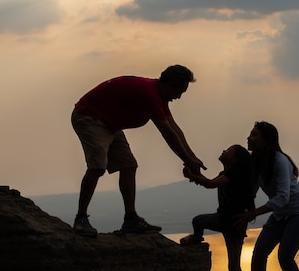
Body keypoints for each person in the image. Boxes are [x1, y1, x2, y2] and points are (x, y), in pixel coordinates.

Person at [71, 65, 206, 237]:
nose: (178, 97)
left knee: (128, 166)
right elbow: (167, 133)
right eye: (179, 91)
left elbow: (175, 128)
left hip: (110, 124)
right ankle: (80, 219)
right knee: (97, 166)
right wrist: (188, 160)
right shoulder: (149, 94)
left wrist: (192, 158)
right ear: (170, 84)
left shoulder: (159, 96)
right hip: (89, 117)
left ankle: (131, 219)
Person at [235, 121, 299, 271]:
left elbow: (282, 197)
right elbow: (251, 188)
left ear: (265, 141)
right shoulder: (256, 162)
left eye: (254, 135)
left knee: (285, 256)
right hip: (280, 214)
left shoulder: (279, 161)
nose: (249, 138)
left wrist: (253, 214)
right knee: (259, 251)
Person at [181, 144, 255, 271]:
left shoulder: (234, 174)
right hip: (222, 220)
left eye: (228, 150)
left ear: (235, 159)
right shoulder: (226, 174)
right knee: (198, 221)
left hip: (234, 226)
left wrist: (192, 175)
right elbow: (208, 181)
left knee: (234, 266)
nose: (223, 150)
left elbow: (210, 184)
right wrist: (193, 173)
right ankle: (196, 237)